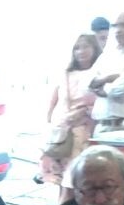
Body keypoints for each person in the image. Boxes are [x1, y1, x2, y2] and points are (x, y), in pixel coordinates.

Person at [40, 34, 103, 196]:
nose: (81, 51)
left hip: (85, 132)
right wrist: (51, 122)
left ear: (95, 48)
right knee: (61, 181)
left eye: (86, 47)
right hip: (61, 132)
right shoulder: (66, 73)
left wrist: (84, 113)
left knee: (78, 180)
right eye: (77, 48)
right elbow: (54, 100)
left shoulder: (100, 73)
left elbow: (102, 103)